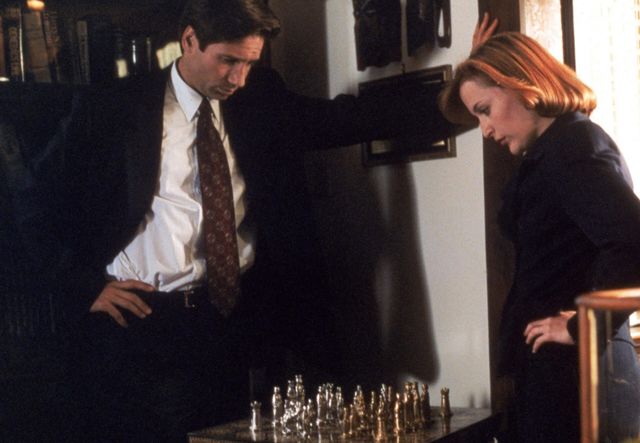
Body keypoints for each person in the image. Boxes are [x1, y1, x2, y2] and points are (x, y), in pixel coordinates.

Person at [6, 2, 501, 442]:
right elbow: (30, 200)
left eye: (249, 62)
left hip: (236, 320)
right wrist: (82, 285)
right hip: (144, 323)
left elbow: (347, 120)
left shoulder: (259, 98)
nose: (238, 78)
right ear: (189, 39)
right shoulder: (112, 108)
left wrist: (461, 91)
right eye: (228, 60)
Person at [439, 32, 640, 442]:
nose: (485, 130)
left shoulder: (572, 147)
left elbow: (633, 241)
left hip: (581, 376)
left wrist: (583, 326)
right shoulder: (554, 148)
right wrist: (479, 62)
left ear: (520, 84)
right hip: (567, 373)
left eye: (485, 111)